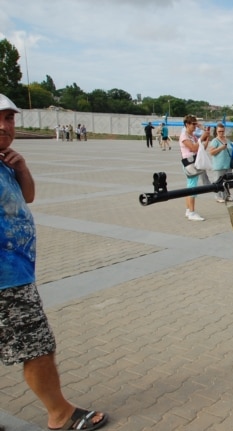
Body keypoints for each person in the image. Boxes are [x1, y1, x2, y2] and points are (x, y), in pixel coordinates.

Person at [0, 94, 108, 430]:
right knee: (37, 346)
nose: (5, 126)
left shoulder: (5, 162)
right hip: (7, 279)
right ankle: (60, 413)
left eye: (9, 118)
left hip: (15, 270)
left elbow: (28, 197)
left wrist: (22, 168)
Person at [179, 114, 209, 221]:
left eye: (196, 124)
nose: (195, 126)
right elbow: (192, 148)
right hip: (189, 163)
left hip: (193, 162)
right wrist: (202, 137)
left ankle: (188, 210)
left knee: (190, 186)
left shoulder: (193, 136)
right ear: (187, 124)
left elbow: (201, 147)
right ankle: (191, 212)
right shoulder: (184, 136)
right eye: (193, 124)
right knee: (192, 188)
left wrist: (205, 134)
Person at [209, 123, 233, 202]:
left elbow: (232, 149)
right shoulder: (215, 141)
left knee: (227, 181)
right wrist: (221, 148)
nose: (221, 133)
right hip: (219, 165)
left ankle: (227, 195)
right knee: (218, 181)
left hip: (227, 165)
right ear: (216, 132)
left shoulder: (227, 140)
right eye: (219, 131)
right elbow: (211, 152)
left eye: (222, 131)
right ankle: (218, 196)